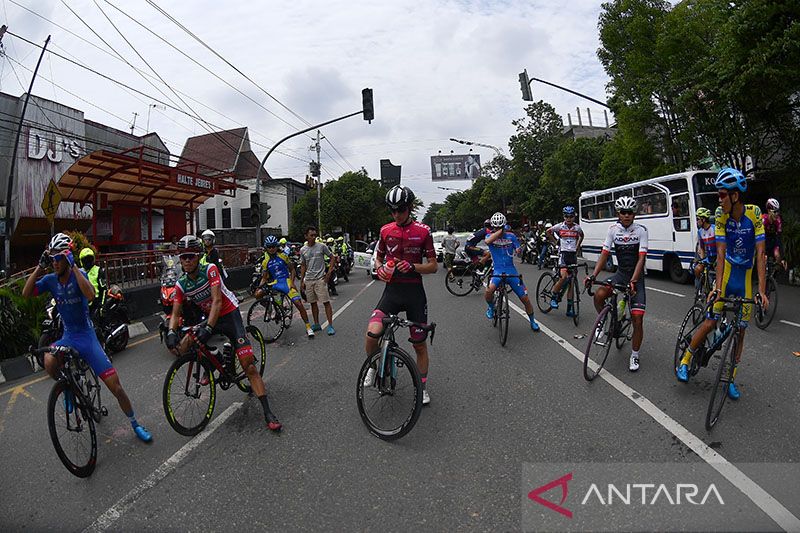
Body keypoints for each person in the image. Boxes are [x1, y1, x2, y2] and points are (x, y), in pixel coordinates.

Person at [22, 233, 152, 442]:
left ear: (68, 258)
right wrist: (39, 266)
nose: (54, 263)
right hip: (69, 336)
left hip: (87, 337)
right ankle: (68, 391)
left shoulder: (78, 274)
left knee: (116, 387)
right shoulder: (50, 280)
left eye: (58, 258)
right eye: (51, 258)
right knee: (49, 361)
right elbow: (26, 294)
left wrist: (74, 267)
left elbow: (91, 295)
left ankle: (135, 423)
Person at [164, 235, 281, 431]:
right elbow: (175, 312)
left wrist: (208, 328)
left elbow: (217, 301)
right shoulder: (181, 283)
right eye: (183, 257)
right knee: (184, 345)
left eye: (190, 256)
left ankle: (268, 412)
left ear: (198, 256)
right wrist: (171, 332)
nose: (186, 261)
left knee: (249, 366)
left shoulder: (209, 270)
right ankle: (214, 357)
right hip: (210, 316)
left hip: (228, 313)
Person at [676, 168, 769, 398]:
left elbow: (761, 255)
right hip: (727, 275)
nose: (719, 200)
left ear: (735, 196)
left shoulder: (755, 214)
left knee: (741, 332)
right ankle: (685, 361)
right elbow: (720, 253)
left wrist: (763, 292)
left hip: (745, 277)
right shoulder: (720, 214)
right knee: (710, 322)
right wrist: (717, 289)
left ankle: (731, 379)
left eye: (722, 195)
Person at [363, 186, 438, 404]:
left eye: (401, 209)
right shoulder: (385, 231)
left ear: (410, 207)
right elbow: (377, 260)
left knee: (419, 345)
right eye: (392, 210)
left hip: (414, 293)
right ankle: (374, 366)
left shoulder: (424, 231)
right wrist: (380, 268)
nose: (397, 214)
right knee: (372, 333)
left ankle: (422, 387)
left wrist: (414, 267)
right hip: (392, 292)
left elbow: (433, 266)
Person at [585, 196, 648, 372]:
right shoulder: (613, 230)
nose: (627, 215)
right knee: (599, 294)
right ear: (618, 214)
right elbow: (604, 254)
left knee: (637, 318)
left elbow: (642, 258)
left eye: (630, 212)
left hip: (636, 277)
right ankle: (603, 321)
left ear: (634, 214)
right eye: (623, 212)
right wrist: (593, 275)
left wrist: (634, 281)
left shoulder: (641, 230)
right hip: (620, 274)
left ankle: (635, 355)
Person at [482, 212, 540, 331]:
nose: (498, 229)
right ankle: (491, 307)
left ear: (504, 225)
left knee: (525, 299)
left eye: (500, 227)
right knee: (489, 291)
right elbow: (487, 243)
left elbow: (517, 249)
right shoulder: (489, 237)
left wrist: (518, 250)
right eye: (496, 227)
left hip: (511, 270)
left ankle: (532, 321)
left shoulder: (511, 236)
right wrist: (499, 232)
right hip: (498, 271)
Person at [257, 235, 315, 338]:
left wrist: (292, 282)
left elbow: (292, 270)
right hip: (275, 283)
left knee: (298, 303)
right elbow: (264, 278)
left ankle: (308, 327)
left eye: (273, 246)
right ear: (266, 248)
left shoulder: (283, 256)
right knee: (258, 294)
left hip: (286, 281)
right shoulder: (265, 261)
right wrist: (259, 287)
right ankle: (271, 308)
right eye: (269, 247)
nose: (271, 249)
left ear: (277, 246)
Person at [547, 206, 584, 316]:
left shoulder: (577, 228)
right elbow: (548, 232)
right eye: (566, 216)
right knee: (563, 277)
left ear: (574, 217)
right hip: (563, 254)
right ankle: (553, 297)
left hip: (572, 255)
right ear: (564, 217)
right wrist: (555, 242)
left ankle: (569, 308)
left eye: (571, 216)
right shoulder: (560, 226)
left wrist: (577, 246)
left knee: (571, 283)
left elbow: (582, 236)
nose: (569, 218)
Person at [300, 226, 336, 335]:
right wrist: (302, 281)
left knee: (326, 302)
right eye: (311, 235)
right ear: (306, 236)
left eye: (315, 235)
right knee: (313, 303)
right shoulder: (303, 250)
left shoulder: (322, 246)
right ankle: (316, 324)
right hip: (309, 280)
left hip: (320, 279)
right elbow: (303, 265)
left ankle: (330, 325)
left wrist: (329, 273)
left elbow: (332, 257)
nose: (314, 237)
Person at [694, 207, 717, 292]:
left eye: (698, 219)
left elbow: (720, 246)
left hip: (717, 257)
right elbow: (702, 248)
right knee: (697, 269)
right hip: (709, 257)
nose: (697, 222)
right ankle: (705, 287)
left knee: (718, 272)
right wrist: (702, 260)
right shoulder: (700, 232)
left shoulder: (715, 229)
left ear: (703, 219)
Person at [79, 247, 107, 316]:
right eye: (85, 260)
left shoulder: (98, 271)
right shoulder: (79, 272)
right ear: (81, 261)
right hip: (82, 302)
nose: (87, 262)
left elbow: (104, 289)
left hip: (95, 302)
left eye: (89, 259)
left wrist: (102, 305)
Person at [763, 198, 786, 271]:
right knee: (764, 259)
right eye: (775, 212)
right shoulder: (763, 219)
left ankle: (773, 277)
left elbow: (779, 237)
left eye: (778, 211)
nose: (777, 214)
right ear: (769, 211)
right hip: (764, 241)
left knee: (778, 256)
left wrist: (783, 257)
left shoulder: (778, 221)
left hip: (773, 240)